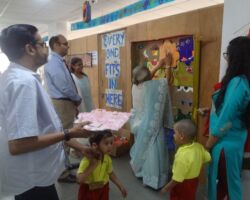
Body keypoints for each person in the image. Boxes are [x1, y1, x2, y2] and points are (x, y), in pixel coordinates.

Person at [0, 24, 95, 200]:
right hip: (33, 179)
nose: (46, 48)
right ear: (29, 49)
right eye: (42, 43)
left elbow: (46, 130)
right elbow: (19, 144)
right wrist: (69, 133)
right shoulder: (22, 83)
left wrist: (80, 146)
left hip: (36, 176)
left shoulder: (21, 78)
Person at [206, 36, 250, 200]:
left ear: (236, 57)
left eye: (227, 54)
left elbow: (225, 120)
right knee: (227, 185)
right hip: (234, 142)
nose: (226, 58)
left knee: (230, 188)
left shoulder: (238, 82)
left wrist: (208, 145)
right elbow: (232, 110)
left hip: (224, 145)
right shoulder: (244, 81)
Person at [44, 34, 83, 182]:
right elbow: (64, 86)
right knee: (64, 136)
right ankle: (62, 173)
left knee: (66, 135)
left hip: (65, 103)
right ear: (55, 45)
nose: (67, 46)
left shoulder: (59, 61)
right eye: (64, 44)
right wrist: (77, 99)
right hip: (62, 103)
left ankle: (65, 165)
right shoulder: (53, 62)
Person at [129, 65, 173, 189]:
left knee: (141, 148)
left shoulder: (135, 86)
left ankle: (141, 173)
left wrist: (159, 65)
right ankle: (153, 180)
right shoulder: (151, 87)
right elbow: (166, 81)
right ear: (148, 76)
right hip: (151, 125)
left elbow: (147, 77)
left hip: (138, 124)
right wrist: (167, 65)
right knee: (153, 152)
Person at [161, 119, 211, 200]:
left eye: (175, 133)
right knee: (189, 196)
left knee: (178, 197)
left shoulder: (182, 156)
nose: (173, 135)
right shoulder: (199, 146)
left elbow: (177, 179)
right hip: (194, 181)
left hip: (182, 184)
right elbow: (208, 158)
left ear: (181, 136)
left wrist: (166, 188)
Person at [77, 130, 128, 200]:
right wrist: (92, 165)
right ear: (95, 145)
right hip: (88, 189)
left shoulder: (107, 159)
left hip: (103, 188)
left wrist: (120, 186)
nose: (110, 146)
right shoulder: (86, 161)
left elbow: (111, 174)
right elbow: (79, 179)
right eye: (106, 143)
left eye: (111, 143)